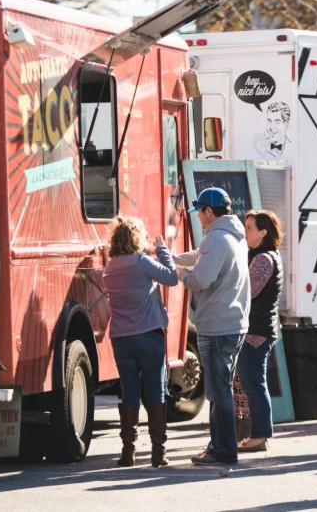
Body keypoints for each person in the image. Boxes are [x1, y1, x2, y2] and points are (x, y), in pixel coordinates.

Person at [174, 187, 251, 466]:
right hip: (231, 323)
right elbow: (200, 257)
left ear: (209, 211)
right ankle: (219, 445)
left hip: (218, 325)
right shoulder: (231, 236)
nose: (199, 218)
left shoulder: (217, 238)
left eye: (200, 212)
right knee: (221, 389)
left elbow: (200, 279)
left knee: (219, 392)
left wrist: (180, 273)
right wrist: (173, 257)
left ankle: (224, 450)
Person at [102, 216, 180, 467]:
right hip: (148, 334)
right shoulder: (141, 261)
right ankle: (159, 452)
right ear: (137, 238)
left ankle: (128, 451)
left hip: (121, 338)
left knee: (129, 393)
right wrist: (162, 250)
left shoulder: (110, 267)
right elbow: (171, 277)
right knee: (155, 391)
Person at [237, 210, 284, 453]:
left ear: (263, 232)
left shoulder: (264, 259)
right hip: (257, 328)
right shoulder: (259, 255)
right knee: (253, 382)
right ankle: (259, 434)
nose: (245, 232)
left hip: (257, 331)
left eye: (249, 228)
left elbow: (249, 291)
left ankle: (260, 435)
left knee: (254, 383)